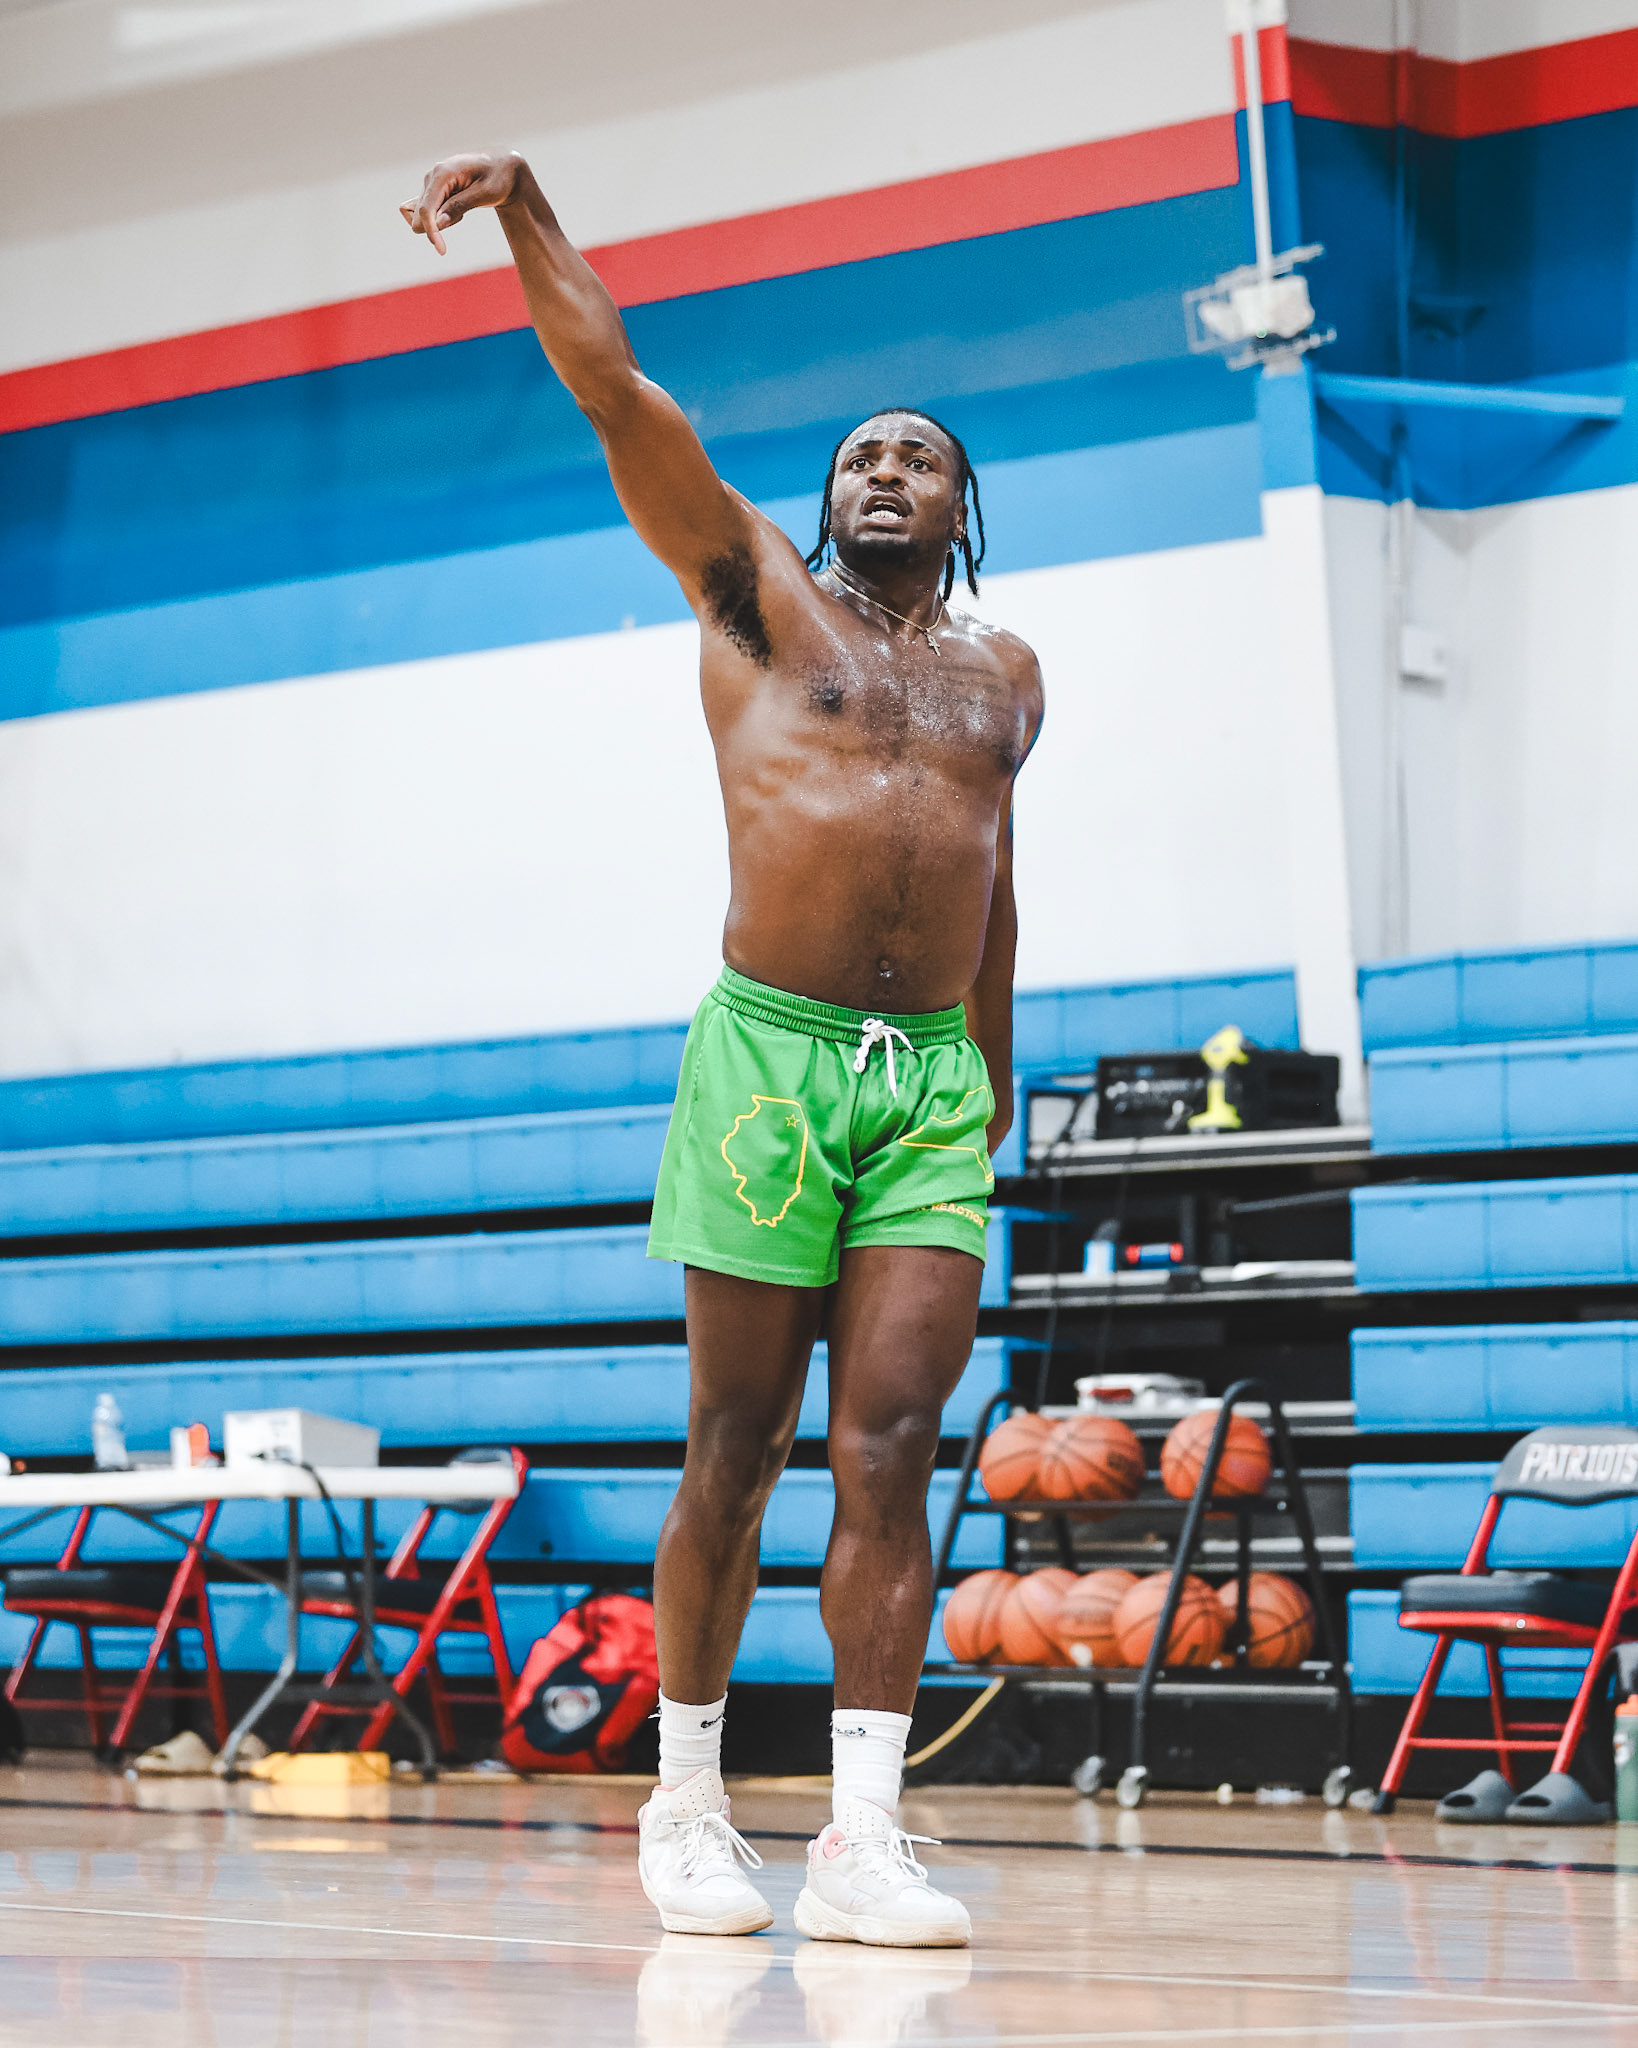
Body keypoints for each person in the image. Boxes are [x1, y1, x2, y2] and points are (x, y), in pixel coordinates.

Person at [405, 151, 1043, 1948]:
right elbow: (615, 387)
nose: (883, 470)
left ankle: (861, 1838)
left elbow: (995, 879)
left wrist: (989, 1079)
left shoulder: (1007, 675)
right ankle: (685, 1804)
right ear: (825, 499)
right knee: (735, 1448)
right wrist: (527, 208)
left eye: (918, 456)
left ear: (962, 504)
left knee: (892, 1448)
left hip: (928, 1083)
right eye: (858, 456)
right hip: (767, 1062)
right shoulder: (756, 593)